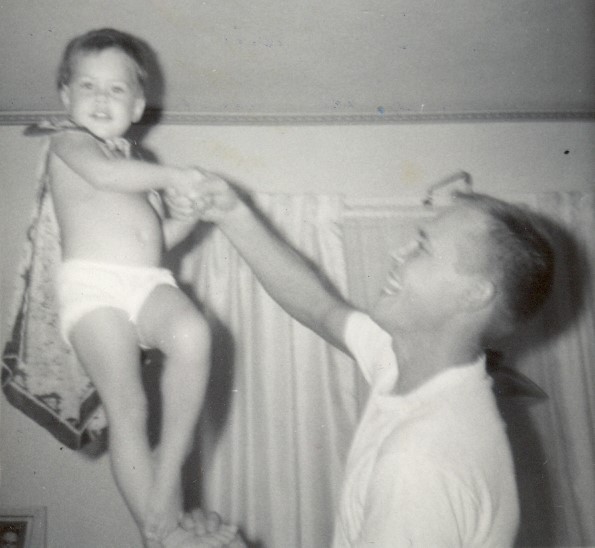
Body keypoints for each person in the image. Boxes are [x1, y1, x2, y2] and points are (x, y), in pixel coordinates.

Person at [166, 179, 555, 546]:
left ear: (473, 295)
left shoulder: (421, 460)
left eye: (422, 247)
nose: (397, 253)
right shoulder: (410, 362)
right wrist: (233, 212)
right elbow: (319, 308)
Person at [40, 28, 241, 548]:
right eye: (88, 86)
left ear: (137, 104)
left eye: (115, 89)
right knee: (128, 405)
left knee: (194, 333)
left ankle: (169, 467)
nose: (101, 98)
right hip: (92, 288)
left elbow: (155, 240)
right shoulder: (70, 140)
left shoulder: (139, 164)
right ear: (66, 96)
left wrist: (189, 220)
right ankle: (163, 534)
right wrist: (176, 177)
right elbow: (105, 178)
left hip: (145, 281)